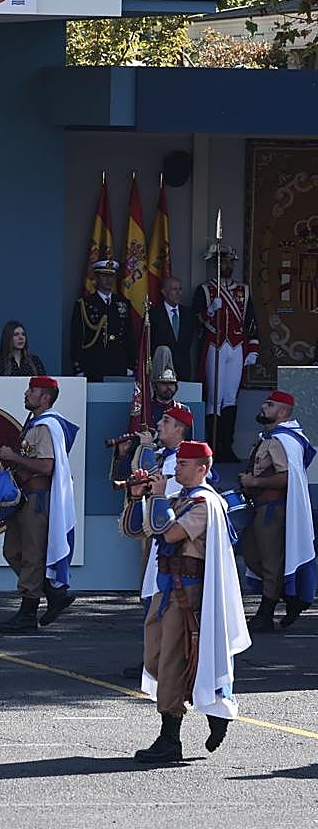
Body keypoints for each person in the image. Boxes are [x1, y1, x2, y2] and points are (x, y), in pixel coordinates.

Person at [121, 441, 250, 763]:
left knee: (173, 662)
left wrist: (160, 496)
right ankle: (211, 709)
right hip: (166, 589)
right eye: (177, 464)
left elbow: (169, 533)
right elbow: (137, 530)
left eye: (183, 465)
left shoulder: (205, 503)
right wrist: (139, 496)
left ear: (201, 468)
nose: (176, 469)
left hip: (187, 592)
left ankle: (170, 739)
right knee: (154, 660)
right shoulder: (179, 499)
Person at [115, 403, 193, 679]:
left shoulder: (182, 461)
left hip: (175, 540)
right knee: (152, 599)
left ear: (180, 429)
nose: (159, 425)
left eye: (166, 421)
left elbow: (155, 482)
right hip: (158, 536)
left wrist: (146, 447)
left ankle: (163, 660)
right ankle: (154, 657)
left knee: (165, 601)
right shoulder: (167, 456)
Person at [0, 376, 79, 633]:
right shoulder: (35, 423)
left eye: (32, 390)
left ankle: (28, 613)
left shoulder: (45, 426)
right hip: (25, 497)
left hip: (36, 497)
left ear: (45, 397)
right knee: (13, 551)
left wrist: (12, 457)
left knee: (31, 554)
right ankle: (53, 593)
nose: (27, 393)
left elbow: (46, 465)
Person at [238, 390, 316, 632]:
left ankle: (266, 613)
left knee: (270, 561)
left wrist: (255, 483)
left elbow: (286, 478)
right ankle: (290, 596)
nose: (263, 407)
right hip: (260, 508)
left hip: (274, 510)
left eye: (269, 404)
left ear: (283, 412)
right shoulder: (270, 437)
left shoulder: (283, 440)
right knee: (252, 555)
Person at [193, 245, 260, 463]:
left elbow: (250, 320)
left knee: (231, 397)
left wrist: (253, 348)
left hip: (237, 346)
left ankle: (226, 445)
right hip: (216, 344)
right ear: (217, 264)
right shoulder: (206, 290)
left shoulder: (244, 290)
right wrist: (210, 310)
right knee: (215, 396)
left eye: (231, 262)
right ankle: (213, 444)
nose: (229, 266)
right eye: (224, 262)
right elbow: (196, 319)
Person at [70, 260, 136, 382]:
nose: (108, 280)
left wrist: (131, 365)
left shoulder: (122, 303)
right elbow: (77, 337)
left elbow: (129, 335)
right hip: (93, 364)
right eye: (104, 276)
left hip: (119, 365)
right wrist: (78, 368)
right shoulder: (85, 304)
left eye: (111, 276)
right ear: (97, 277)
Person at [148, 276, 195, 381]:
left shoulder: (188, 314)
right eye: (174, 289)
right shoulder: (153, 315)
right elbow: (149, 343)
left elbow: (189, 340)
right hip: (162, 368)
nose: (178, 293)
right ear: (164, 292)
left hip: (183, 368)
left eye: (180, 289)